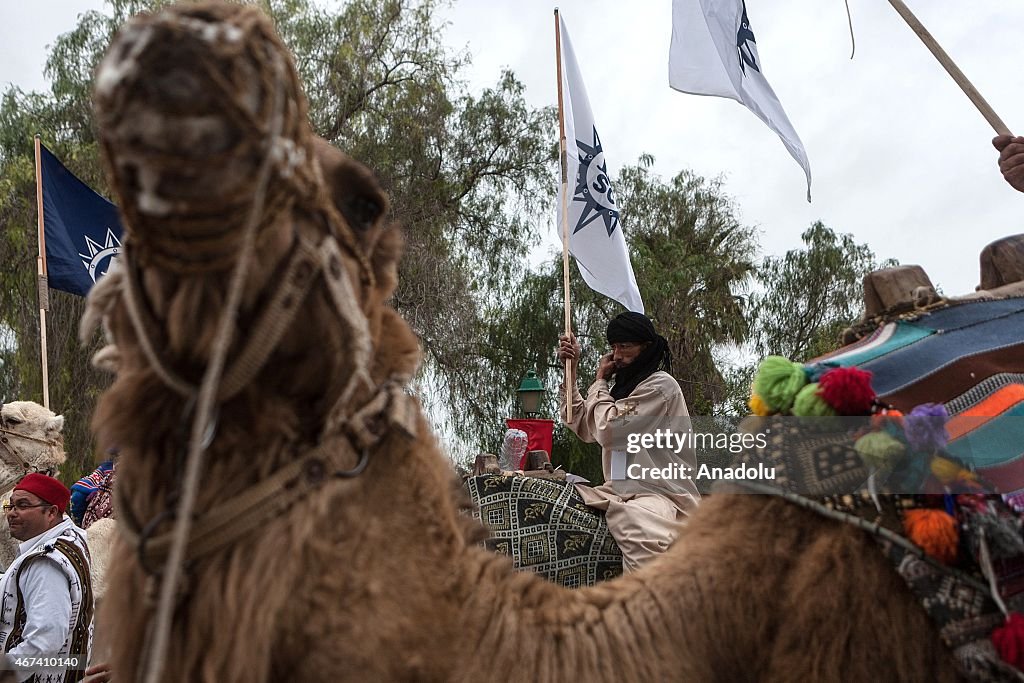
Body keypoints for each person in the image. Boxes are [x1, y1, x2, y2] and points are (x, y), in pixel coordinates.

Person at [558, 312, 700, 572]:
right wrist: (572, 367)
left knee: (637, 526)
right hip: (619, 490)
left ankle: (645, 601)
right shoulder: (619, 396)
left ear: (645, 347)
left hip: (661, 494)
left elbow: (609, 429)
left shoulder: (659, 387)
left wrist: (600, 381)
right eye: (613, 347)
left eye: (625, 347)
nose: (617, 356)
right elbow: (579, 421)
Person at [0, 473, 93, 682]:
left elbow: (45, 640)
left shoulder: (45, 562)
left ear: (51, 512)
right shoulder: (71, 537)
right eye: (11, 506)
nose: (12, 513)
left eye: (23, 506)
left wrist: (5, 672)